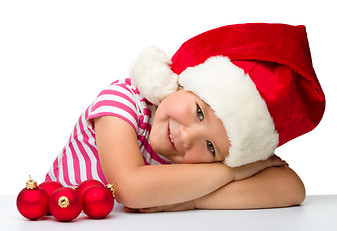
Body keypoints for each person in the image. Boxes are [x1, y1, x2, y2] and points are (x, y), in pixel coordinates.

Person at [46, 23, 325, 212]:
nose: (187, 137)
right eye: (199, 112)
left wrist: (186, 202)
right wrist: (232, 173)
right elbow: (129, 188)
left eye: (211, 148)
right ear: (181, 84)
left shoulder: (190, 157)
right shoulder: (121, 100)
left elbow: (292, 189)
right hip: (58, 219)